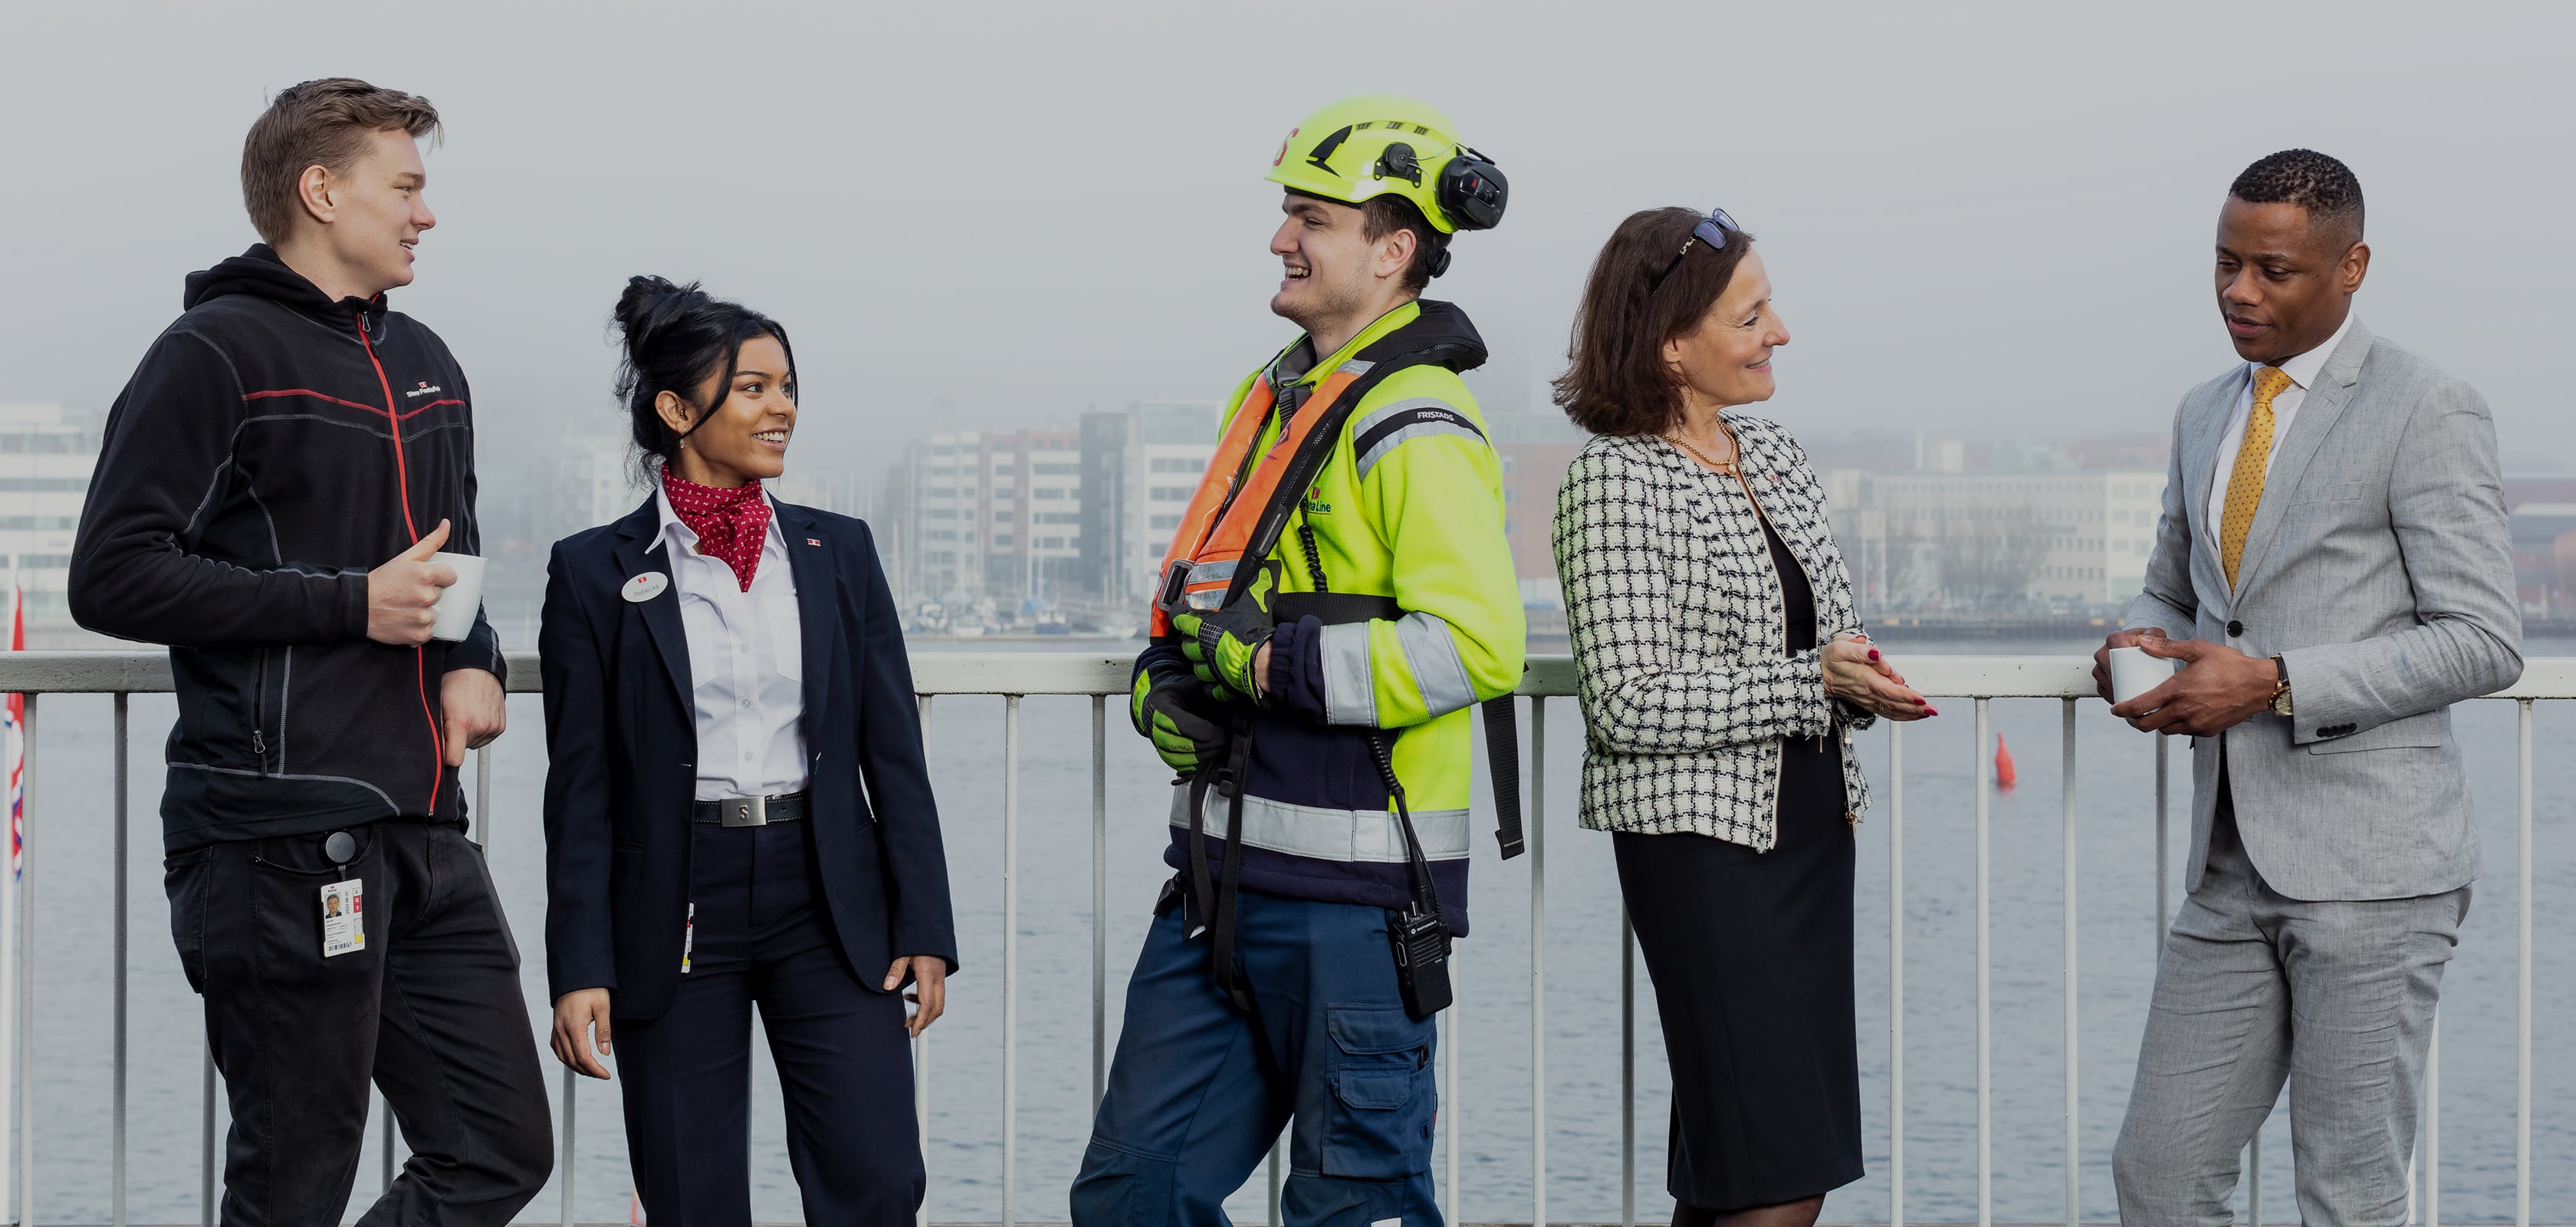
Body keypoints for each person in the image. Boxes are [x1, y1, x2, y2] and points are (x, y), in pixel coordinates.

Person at [67, 78, 549, 1227]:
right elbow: (112, 573)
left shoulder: (430, 358)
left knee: (499, 1150)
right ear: (321, 191)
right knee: (295, 1183)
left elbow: (454, 553)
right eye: (408, 187)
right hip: (275, 842)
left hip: (426, 830)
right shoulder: (211, 352)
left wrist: (470, 654)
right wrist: (350, 606)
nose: (427, 214)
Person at [1070, 94, 1523, 1225]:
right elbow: (1215, 604)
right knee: (1131, 1196)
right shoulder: (1276, 397)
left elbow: (1477, 645)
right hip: (1220, 887)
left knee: (1353, 1211)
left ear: (1392, 248)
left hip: (1358, 911)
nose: (1282, 238)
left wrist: (1275, 670)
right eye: (1288, 214)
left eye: (1310, 218)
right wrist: (1167, 681)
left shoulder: (1415, 418)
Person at [2100, 150, 2520, 1222]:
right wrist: (2136, 649)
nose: (2240, 292)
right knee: (2161, 1170)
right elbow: (2172, 591)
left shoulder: (2429, 406)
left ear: (2353, 266)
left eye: (2273, 271)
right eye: (2225, 264)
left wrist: (2276, 681)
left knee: (2346, 1191)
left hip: (2377, 873)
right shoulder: (2204, 411)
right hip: (2228, 867)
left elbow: (2482, 638)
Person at [540, 276, 957, 1226]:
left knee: (880, 1178)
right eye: (755, 388)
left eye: (788, 386)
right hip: (677, 905)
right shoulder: (593, 570)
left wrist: (924, 922)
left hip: (828, 895)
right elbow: (582, 791)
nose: (783, 409)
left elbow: (893, 754)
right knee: (692, 1199)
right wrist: (579, 964)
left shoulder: (838, 551)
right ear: (678, 409)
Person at [1550, 208, 1932, 1227]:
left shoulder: (1770, 450)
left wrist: (1861, 679)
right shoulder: (1612, 480)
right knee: (1776, 1176)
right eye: (1752, 314)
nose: (1781, 333)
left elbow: (1828, 630)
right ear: (1671, 343)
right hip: (1705, 854)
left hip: (1810, 832)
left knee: (1746, 1165)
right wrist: (1811, 682)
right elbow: (1629, 700)